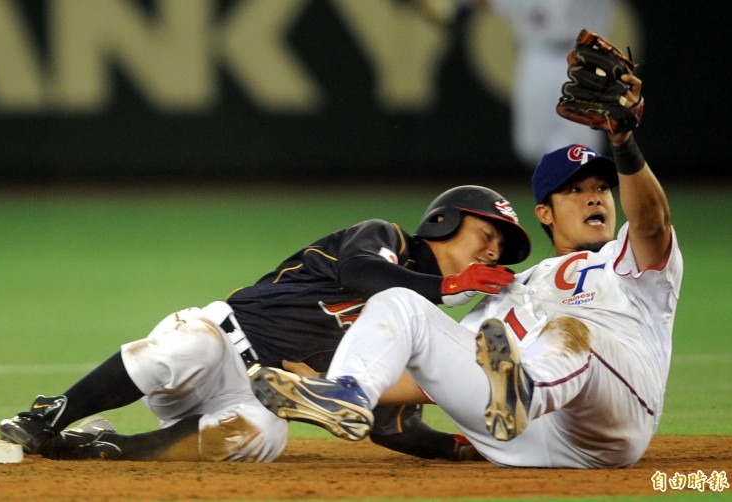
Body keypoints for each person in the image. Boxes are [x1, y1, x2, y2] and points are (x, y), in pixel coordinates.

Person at [250, 69, 684, 468]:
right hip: (518, 438)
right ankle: (348, 392)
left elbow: (652, 221)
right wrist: (322, 377)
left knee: (569, 331)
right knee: (401, 303)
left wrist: (624, 143)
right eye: (575, 190)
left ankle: (523, 392)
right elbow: (434, 377)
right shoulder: (510, 289)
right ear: (545, 214)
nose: (594, 198)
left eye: (601, 189)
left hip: (612, 423)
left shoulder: (627, 260)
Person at [0, 184, 531, 462]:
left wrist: (462, 448)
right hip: (221, 342)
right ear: (444, 222)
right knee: (191, 349)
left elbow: (395, 427)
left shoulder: (418, 326)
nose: (491, 251)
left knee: (262, 435)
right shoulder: (385, 238)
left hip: (254, 395)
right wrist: (447, 287)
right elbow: (359, 271)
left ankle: (103, 450)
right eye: (486, 235)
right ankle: (49, 416)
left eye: (500, 249)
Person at [414, 0, 616, 167]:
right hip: (536, 55)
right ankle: (554, 194)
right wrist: (458, 8)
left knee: (578, 146)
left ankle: (574, 199)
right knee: (530, 145)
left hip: (585, 58)